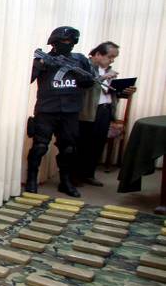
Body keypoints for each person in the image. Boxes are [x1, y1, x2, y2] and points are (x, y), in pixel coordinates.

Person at [25, 26, 95, 197]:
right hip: (47, 110)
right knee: (40, 147)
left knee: (69, 149)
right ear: (54, 42)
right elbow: (28, 79)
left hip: (70, 111)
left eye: (71, 42)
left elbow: (90, 82)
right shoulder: (42, 59)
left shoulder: (80, 60)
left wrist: (84, 78)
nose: (68, 44)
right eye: (64, 41)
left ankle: (65, 181)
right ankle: (31, 180)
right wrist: (41, 66)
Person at [76, 41, 136, 186]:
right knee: (82, 145)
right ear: (97, 54)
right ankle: (75, 176)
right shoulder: (84, 66)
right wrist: (104, 77)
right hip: (87, 111)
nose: (112, 60)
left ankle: (88, 174)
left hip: (105, 110)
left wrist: (124, 91)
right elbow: (84, 85)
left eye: (114, 57)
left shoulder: (108, 70)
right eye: (110, 56)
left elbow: (108, 92)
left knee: (97, 145)